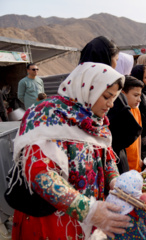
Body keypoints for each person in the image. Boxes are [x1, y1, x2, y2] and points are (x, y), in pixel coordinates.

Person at [10, 62, 133, 240]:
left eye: (114, 98)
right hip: (53, 222)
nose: (111, 104)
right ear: (88, 89)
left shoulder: (96, 121)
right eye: (107, 96)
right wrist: (87, 210)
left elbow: (106, 158)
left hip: (91, 218)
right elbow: (40, 174)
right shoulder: (46, 115)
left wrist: (115, 182)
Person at [80, 36, 142, 175]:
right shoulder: (106, 88)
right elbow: (129, 130)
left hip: (106, 165)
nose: (110, 104)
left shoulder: (78, 89)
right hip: (111, 160)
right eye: (116, 59)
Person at [122, 76, 144, 172]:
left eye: (140, 96)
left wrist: (139, 157)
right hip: (125, 166)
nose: (139, 100)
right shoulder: (119, 114)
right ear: (123, 94)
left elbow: (138, 136)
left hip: (136, 163)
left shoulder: (136, 110)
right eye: (135, 95)